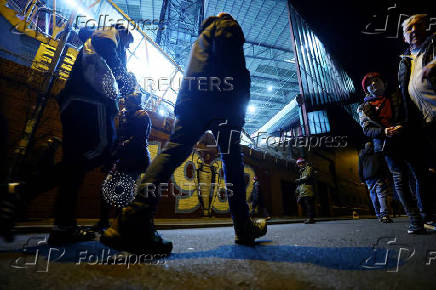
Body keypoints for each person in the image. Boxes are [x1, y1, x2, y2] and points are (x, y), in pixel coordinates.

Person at [100, 13, 267, 254]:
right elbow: (235, 66)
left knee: (174, 151)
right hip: (224, 103)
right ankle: (243, 227)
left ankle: (133, 218)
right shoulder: (227, 24)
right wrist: (240, 101)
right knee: (232, 162)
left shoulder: (200, 40)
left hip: (191, 101)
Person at [0, 25, 136, 243]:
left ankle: (63, 227)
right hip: (92, 102)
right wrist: (125, 79)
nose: (128, 46)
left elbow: (90, 37)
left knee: (74, 168)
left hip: (74, 103)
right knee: (102, 149)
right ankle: (23, 190)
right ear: (125, 31)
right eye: (129, 41)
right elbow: (106, 46)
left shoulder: (97, 38)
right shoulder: (111, 32)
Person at [357, 72, 429, 234]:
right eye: (369, 84)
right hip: (388, 146)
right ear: (367, 90)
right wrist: (384, 131)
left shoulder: (398, 96)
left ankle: (427, 214)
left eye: (376, 80)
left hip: (408, 140)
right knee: (400, 180)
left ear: (385, 83)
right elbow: (367, 130)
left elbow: (410, 113)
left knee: (420, 174)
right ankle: (415, 219)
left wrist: (402, 126)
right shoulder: (364, 108)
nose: (373, 84)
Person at [94, 94, 152, 231]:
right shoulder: (124, 114)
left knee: (123, 193)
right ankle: (105, 222)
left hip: (135, 159)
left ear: (136, 102)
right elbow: (119, 137)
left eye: (129, 101)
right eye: (126, 100)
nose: (126, 102)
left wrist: (119, 149)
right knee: (107, 189)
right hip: (123, 158)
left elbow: (138, 140)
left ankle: (119, 226)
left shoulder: (142, 115)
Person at [358, 142, 393, 223]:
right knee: (381, 195)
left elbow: (360, 167)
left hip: (368, 178)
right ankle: (384, 215)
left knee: (373, 195)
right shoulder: (378, 153)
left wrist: (361, 179)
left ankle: (378, 215)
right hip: (378, 176)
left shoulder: (361, 155)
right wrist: (387, 176)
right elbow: (383, 165)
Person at [295, 158, 315, 224]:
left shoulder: (308, 168)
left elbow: (307, 177)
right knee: (301, 202)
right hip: (303, 190)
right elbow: (301, 182)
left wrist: (299, 180)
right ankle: (309, 217)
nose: (299, 165)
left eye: (300, 164)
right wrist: (297, 190)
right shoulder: (301, 171)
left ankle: (310, 218)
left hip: (308, 189)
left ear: (304, 163)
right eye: (298, 164)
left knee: (308, 204)